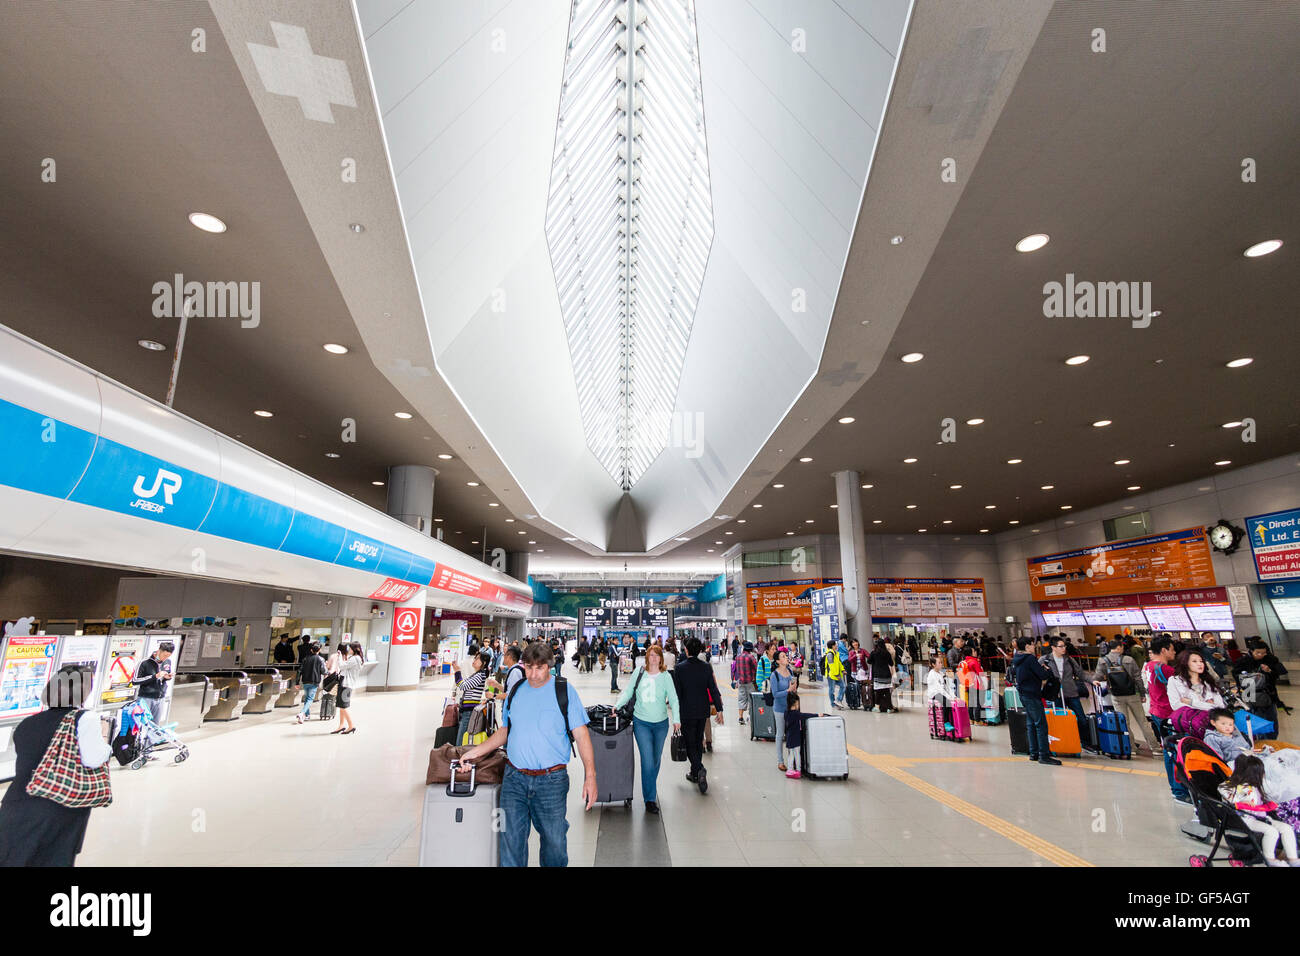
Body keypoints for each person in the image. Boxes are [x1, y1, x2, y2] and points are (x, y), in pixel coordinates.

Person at [459, 641, 596, 867]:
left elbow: (581, 736)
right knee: (510, 842)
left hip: (551, 781)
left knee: (554, 844)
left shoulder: (564, 690)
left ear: (549, 666)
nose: (533, 674)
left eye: (539, 668)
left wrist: (590, 776)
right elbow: (505, 731)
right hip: (514, 779)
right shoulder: (516, 691)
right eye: (529, 667)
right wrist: (475, 752)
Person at [0, 665, 112, 866]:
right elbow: (93, 759)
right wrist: (105, 735)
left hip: (15, 805)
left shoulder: (28, 723)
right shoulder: (84, 718)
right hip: (57, 808)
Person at [615, 645, 680, 814]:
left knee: (656, 760)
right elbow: (629, 692)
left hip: (661, 724)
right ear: (647, 657)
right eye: (650, 655)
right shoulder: (639, 672)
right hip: (641, 722)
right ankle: (649, 798)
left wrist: (677, 720)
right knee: (648, 761)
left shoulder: (666, 676)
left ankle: (649, 786)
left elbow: (673, 699)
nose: (653, 658)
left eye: (656, 656)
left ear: (661, 658)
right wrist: (617, 706)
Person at [1217, 756, 1300, 867]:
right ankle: (1270, 860)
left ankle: (1293, 860)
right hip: (1245, 819)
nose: (1263, 776)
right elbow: (1229, 798)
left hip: (1260, 817)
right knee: (1271, 832)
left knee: (1287, 828)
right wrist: (1243, 801)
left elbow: (1261, 803)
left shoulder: (1256, 787)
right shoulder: (1228, 787)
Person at [672, 637, 724, 794]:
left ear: (686, 650)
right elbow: (713, 689)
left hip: (686, 712)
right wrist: (720, 710)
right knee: (698, 740)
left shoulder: (680, 668)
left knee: (689, 744)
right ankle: (695, 773)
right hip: (702, 711)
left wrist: (676, 714)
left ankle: (700, 769)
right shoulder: (706, 667)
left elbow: (677, 694)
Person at [1143, 635, 1191, 804]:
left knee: (1167, 749)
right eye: (1171, 649)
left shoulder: (1149, 666)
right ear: (1163, 650)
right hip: (1169, 714)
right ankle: (1179, 790)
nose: (1174, 652)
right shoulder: (1165, 669)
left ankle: (1175, 787)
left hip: (1156, 711)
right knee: (1176, 751)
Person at [1093, 639, 1158, 756]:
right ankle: (1155, 748)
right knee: (1142, 722)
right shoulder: (1128, 659)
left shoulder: (1103, 661)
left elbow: (1097, 676)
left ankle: (1131, 748)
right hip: (1132, 694)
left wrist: (1096, 681)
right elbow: (1138, 678)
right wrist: (1142, 694)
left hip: (1116, 695)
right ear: (1118, 648)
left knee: (1124, 722)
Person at [1010, 636, 1061, 766]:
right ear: (1027, 646)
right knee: (1041, 725)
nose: (1034, 647)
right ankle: (1044, 755)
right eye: (1032, 644)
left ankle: (1034, 753)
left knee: (1031, 724)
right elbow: (1043, 675)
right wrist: (1046, 670)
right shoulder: (1030, 659)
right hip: (1032, 695)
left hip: (1023, 694)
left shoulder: (1017, 659)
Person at [1042, 636, 1096, 754]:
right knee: (1055, 720)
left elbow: (1081, 674)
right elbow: (1037, 675)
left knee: (1081, 719)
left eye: (1064, 646)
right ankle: (1057, 742)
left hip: (1071, 693)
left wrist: (1092, 681)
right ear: (1053, 648)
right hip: (1054, 695)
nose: (1064, 648)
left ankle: (1085, 743)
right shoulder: (1045, 660)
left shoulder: (1069, 660)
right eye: (1061, 646)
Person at [1167, 649, 1225, 739]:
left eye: (1201, 661)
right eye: (1194, 661)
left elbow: (1220, 707)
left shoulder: (1208, 682)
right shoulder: (1174, 681)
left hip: (1213, 726)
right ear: (1185, 663)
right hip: (1190, 727)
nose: (1199, 664)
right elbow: (1176, 705)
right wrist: (1207, 705)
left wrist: (1191, 702)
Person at [1234, 642, 1293, 714]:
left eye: (1263, 653)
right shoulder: (1242, 661)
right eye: (1258, 653)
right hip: (1250, 692)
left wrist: (1269, 671)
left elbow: (1276, 675)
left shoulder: (1269, 660)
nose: (1261, 655)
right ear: (1252, 651)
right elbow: (1236, 676)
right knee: (1255, 716)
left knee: (1271, 716)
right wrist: (1250, 675)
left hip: (1267, 692)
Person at [454, 650, 494, 744]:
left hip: (469, 712)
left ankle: (459, 756)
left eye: (477, 659)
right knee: (462, 737)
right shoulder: (478, 674)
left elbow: (463, 686)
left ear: (483, 663)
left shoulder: (479, 675)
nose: (474, 660)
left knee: (461, 739)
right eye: (475, 658)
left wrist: (457, 672)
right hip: (468, 711)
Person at [782, 691, 824, 779]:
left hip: (789, 736)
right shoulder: (796, 714)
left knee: (791, 754)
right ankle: (798, 770)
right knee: (797, 754)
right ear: (795, 704)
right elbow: (805, 715)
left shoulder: (786, 712)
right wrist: (817, 715)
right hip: (796, 737)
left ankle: (790, 769)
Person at [131, 641, 174, 726]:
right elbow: (135, 681)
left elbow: (164, 677)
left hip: (160, 698)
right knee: (142, 725)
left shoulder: (167, 662)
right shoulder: (144, 662)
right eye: (164, 655)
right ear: (159, 651)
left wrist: (167, 678)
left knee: (155, 726)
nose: (165, 658)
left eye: (168, 656)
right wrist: (154, 676)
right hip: (145, 698)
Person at [331, 642, 364, 735]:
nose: (348, 650)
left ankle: (351, 725)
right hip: (345, 683)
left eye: (350, 648)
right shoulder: (355, 658)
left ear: (354, 649)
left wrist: (340, 656)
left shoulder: (355, 659)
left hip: (346, 684)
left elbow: (341, 666)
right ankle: (341, 725)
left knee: (343, 706)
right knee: (341, 706)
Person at [770, 650, 795, 772]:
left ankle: (792, 759)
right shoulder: (774, 675)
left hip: (791, 707)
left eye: (786, 656)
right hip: (779, 709)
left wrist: (794, 687)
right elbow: (775, 694)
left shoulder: (790, 671)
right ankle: (780, 761)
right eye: (783, 657)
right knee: (780, 734)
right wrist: (788, 690)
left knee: (791, 733)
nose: (786, 658)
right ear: (778, 661)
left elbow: (793, 687)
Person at [295, 641, 326, 723]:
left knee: (306, 698)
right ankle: (302, 713)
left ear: (311, 650)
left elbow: (299, 671)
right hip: (314, 681)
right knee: (309, 699)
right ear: (319, 650)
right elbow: (324, 671)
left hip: (305, 681)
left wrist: (297, 682)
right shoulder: (321, 659)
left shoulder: (305, 658)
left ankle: (307, 715)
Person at [868, 638, 896, 713]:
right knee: (887, 692)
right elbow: (891, 663)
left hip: (877, 675)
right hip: (886, 675)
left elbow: (869, 661)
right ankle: (889, 708)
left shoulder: (874, 652)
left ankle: (877, 707)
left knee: (878, 691)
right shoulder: (887, 653)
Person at [732, 641, 757, 725]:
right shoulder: (751, 657)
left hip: (741, 681)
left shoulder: (738, 657)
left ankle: (740, 717)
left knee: (741, 699)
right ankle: (749, 717)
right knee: (751, 699)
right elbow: (756, 668)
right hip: (750, 682)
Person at [822, 639, 846, 710]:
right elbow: (831, 665)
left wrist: (843, 670)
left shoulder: (836, 653)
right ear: (832, 646)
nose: (836, 645)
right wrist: (836, 675)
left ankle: (838, 700)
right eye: (835, 644)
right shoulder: (830, 654)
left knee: (843, 686)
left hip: (837, 674)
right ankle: (833, 704)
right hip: (831, 675)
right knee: (832, 690)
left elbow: (839, 663)